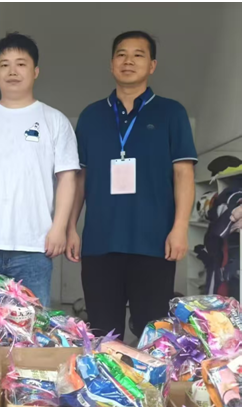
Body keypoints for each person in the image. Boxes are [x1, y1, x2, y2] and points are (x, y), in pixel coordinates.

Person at [66, 31, 197, 338]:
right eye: (121, 55)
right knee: (102, 334)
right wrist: (70, 227)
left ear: (152, 65)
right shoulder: (91, 116)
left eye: (138, 55)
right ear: (111, 64)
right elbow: (80, 178)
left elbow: (184, 174)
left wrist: (180, 228)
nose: (128, 61)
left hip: (154, 243)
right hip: (100, 243)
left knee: (153, 334)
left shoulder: (172, 113)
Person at [0, 33, 79, 308]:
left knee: (32, 327)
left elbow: (68, 178)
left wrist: (59, 228)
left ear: (35, 72)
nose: (12, 71)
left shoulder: (54, 120)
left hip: (34, 247)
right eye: (5, 64)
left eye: (21, 64)